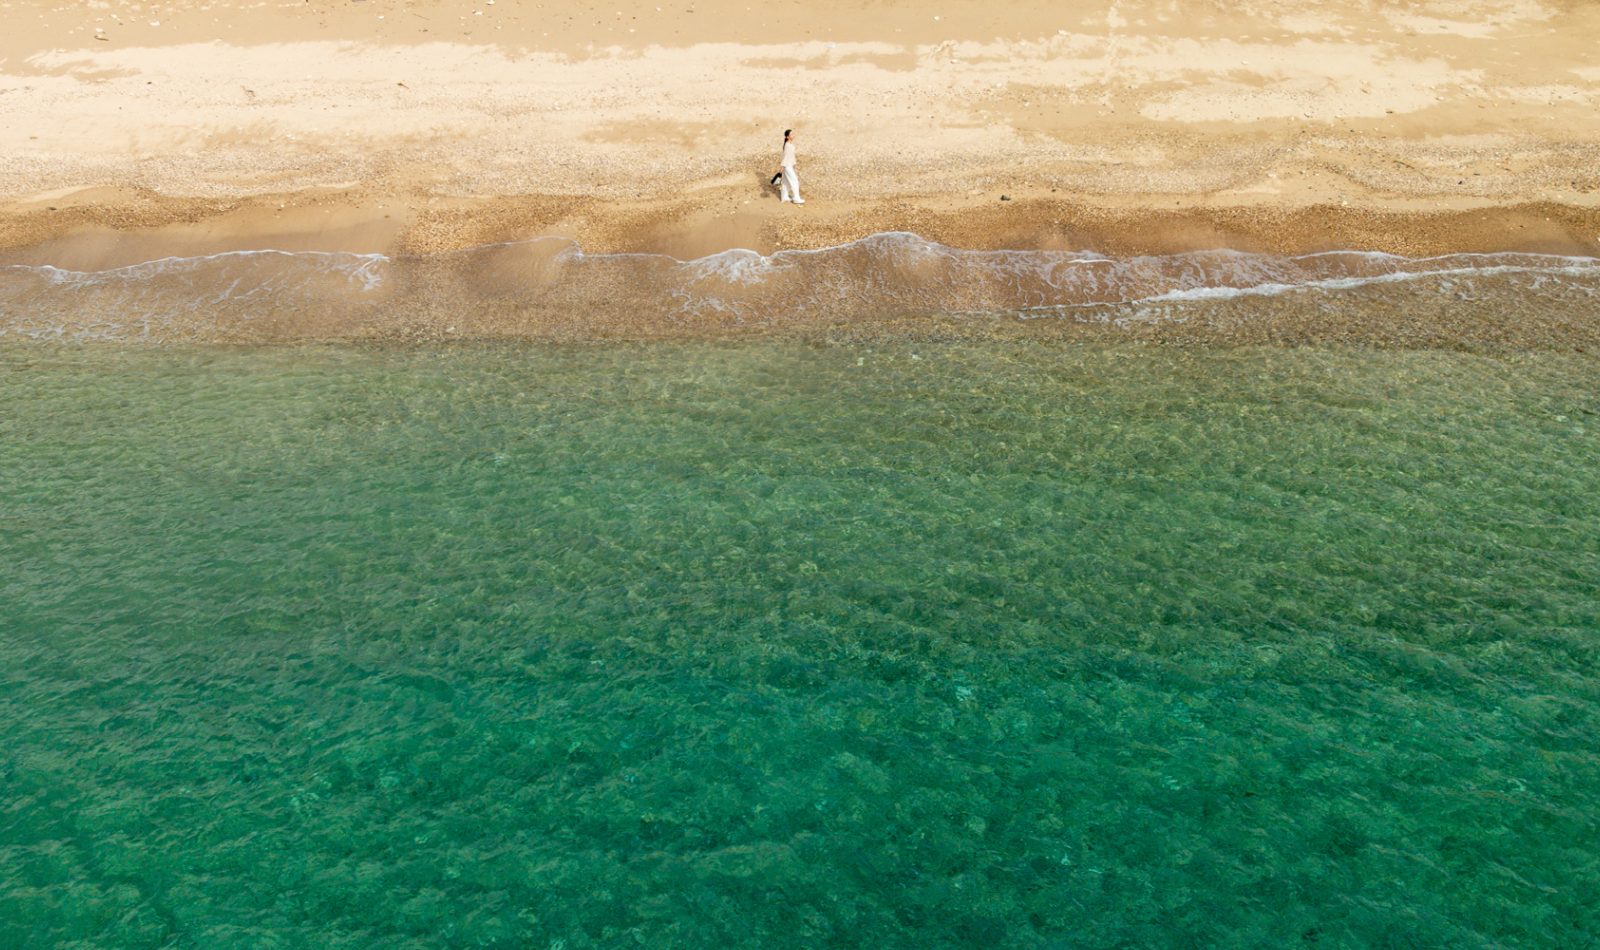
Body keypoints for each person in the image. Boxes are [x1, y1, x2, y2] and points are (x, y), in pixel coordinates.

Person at [776, 129, 804, 204]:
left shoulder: (789, 144)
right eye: (791, 134)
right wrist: (782, 167)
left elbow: (791, 156)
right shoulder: (787, 145)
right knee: (795, 181)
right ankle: (796, 198)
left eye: (793, 134)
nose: (793, 135)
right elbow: (785, 157)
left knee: (786, 182)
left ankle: (784, 197)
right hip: (787, 166)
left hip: (789, 165)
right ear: (787, 137)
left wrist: (794, 165)